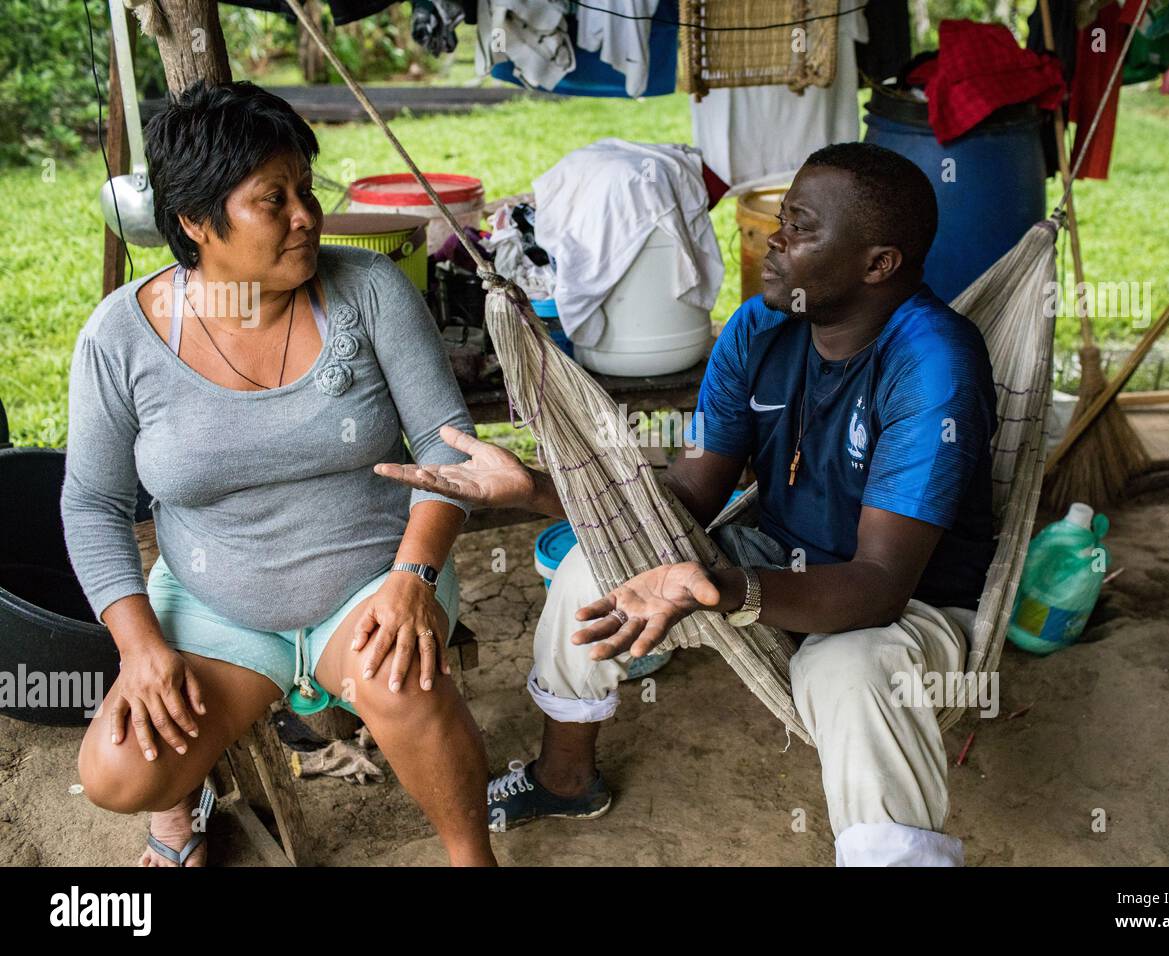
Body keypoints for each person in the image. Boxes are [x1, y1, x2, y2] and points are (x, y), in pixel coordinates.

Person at [378, 142, 997, 866]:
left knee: (849, 676)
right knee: (591, 569)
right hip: (776, 555)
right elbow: (688, 496)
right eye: (781, 220)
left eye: (801, 227)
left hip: (907, 603)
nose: (775, 241)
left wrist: (725, 590)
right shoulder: (760, 331)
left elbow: (880, 585)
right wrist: (538, 489)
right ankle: (566, 777)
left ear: (878, 264)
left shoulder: (932, 362)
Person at [63, 81, 494, 866]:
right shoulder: (120, 338)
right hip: (215, 604)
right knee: (116, 771)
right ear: (196, 223)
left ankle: (474, 859)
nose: (306, 215)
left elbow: (448, 445)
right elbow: (91, 503)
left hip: (375, 577)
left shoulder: (368, 292)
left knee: (397, 680)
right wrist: (140, 647)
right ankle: (177, 817)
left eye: (306, 189)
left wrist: (414, 575)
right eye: (274, 199)